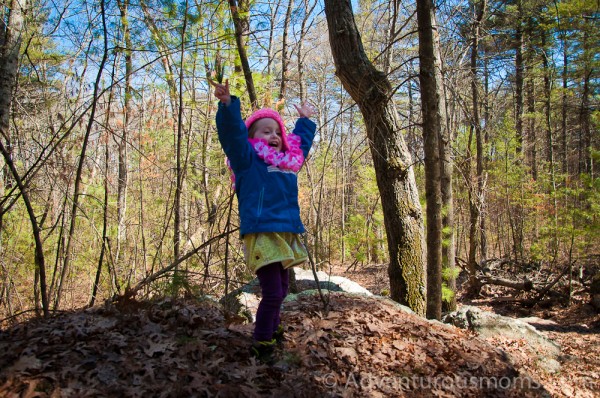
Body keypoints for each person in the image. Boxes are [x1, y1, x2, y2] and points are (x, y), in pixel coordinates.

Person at [209, 79, 316, 363]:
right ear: (252, 138)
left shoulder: (287, 163)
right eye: (264, 131)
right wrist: (228, 105)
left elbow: (300, 145)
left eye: (276, 132)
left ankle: (272, 326)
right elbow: (232, 135)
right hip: (261, 232)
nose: (272, 136)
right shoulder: (247, 160)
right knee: (271, 292)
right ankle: (262, 341)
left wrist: (304, 121)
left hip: (284, 231)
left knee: (280, 289)